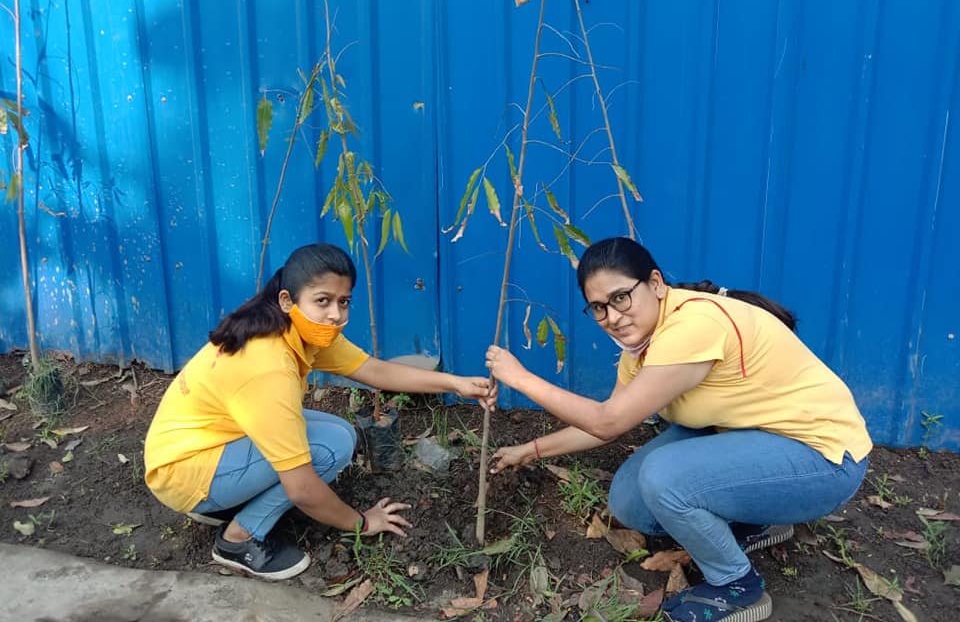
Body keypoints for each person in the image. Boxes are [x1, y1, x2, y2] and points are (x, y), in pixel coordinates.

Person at [485, 237, 871, 622]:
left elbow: (608, 419)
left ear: (655, 283)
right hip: (757, 440)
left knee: (663, 476)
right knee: (630, 500)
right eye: (599, 307)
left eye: (621, 298)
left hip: (824, 461)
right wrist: (530, 450)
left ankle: (738, 587)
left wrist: (521, 379)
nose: (613, 317)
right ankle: (760, 522)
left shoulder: (693, 326)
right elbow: (606, 425)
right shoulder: (642, 348)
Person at [144, 243, 495, 581]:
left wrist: (455, 384)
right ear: (287, 300)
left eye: (344, 302)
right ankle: (237, 539)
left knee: (339, 435)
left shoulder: (298, 329)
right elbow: (302, 489)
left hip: (202, 448)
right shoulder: (268, 368)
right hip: (183, 474)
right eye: (323, 300)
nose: (336, 314)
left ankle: (225, 502)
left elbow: (374, 371)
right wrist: (362, 522)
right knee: (326, 450)